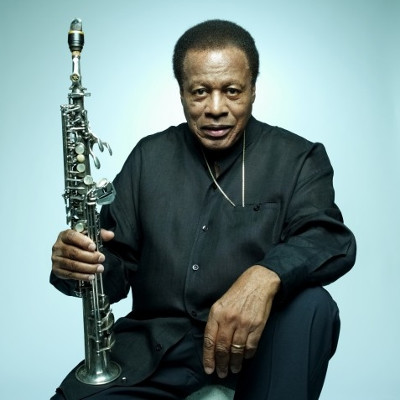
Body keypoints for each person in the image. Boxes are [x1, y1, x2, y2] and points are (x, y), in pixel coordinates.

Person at [50, 19, 356, 400]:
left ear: (254, 89)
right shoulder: (148, 158)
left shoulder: (298, 159)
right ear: (181, 92)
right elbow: (112, 274)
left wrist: (265, 276)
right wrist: (77, 265)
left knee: (314, 305)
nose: (215, 108)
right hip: (151, 359)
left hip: (253, 357)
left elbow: (328, 238)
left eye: (232, 91)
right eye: (199, 92)